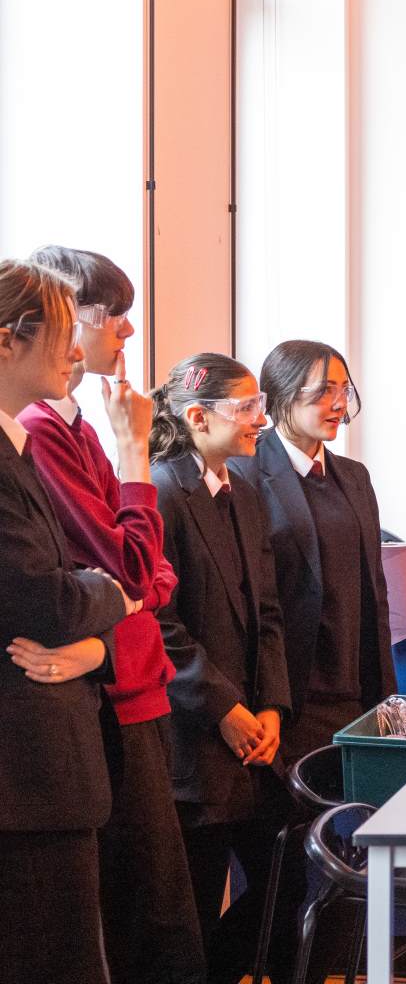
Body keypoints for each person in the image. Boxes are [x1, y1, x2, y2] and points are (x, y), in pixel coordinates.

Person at [14, 247, 203, 984]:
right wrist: (134, 446)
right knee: (141, 924)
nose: (126, 331)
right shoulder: (45, 432)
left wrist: (117, 613)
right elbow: (126, 570)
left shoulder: (78, 428)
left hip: (129, 685)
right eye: (109, 315)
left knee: (160, 917)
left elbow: (154, 576)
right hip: (101, 707)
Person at [0, 259, 140, 984]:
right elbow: (45, 600)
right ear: (7, 340)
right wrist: (111, 594)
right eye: (61, 330)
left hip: (45, 773)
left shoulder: (19, 447)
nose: (76, 350)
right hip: (23, 777)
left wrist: (95, 639)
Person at [150, 353, 292, 984]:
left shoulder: (246, 493)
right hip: (193, 740)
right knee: (193, 912)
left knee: (290, 883)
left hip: (257, 738)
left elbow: (269, 613)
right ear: (198, 417)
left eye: (261, 405)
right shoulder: (162, 492)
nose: (261, 419)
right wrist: (224, 709)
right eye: (247, 407)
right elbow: (159, 623)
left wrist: (271, 709)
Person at [232, 340, 394, 761]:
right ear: (281, 395)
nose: (339, 403)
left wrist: (386, 698)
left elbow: (374, 594)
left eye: (344, 390)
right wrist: (268, 701)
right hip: (286, 699)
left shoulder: (354, 477)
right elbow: (252, 603)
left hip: (355, 693)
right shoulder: (243, 473)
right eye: (324, 391)